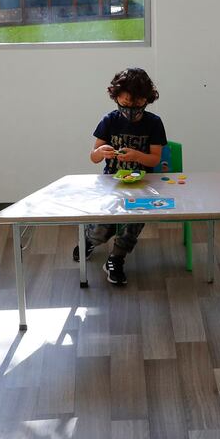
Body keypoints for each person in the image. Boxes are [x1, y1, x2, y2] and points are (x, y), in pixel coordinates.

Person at [77, 68, 166, 286]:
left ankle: (116, 258)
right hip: (112, 182)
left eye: (137, 106)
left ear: (147, 100)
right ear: (116, 97)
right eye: (126, 105)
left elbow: (155, 159)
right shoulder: (109, 120)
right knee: (102, 227)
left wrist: (138, 156)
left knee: (133, 222)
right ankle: (90, 240)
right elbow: (94, 157)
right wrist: (101, 152)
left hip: (142, 184)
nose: (131, 110)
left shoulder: (153, 123)